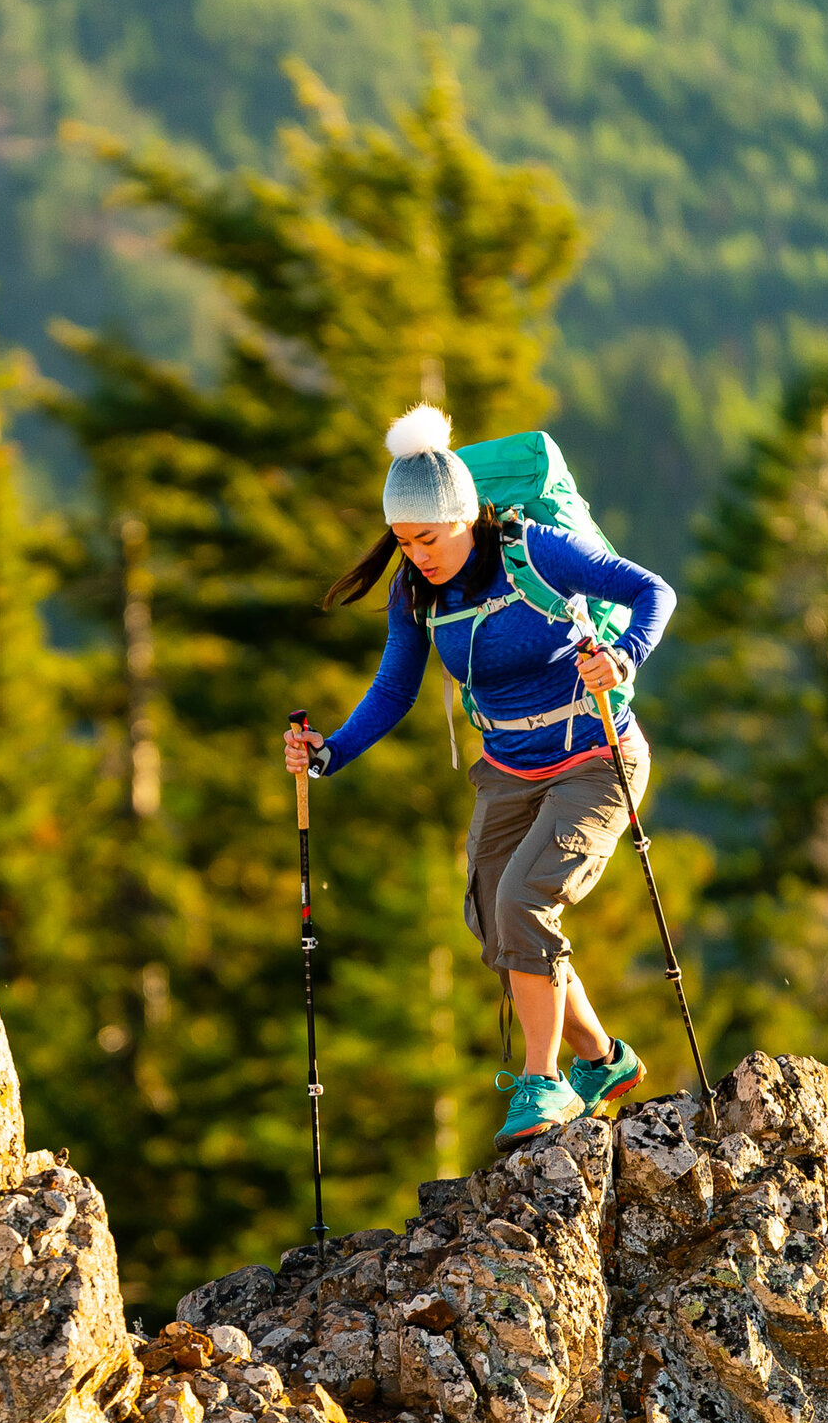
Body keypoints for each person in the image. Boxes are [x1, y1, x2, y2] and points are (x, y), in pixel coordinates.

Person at [283, 405, 675, 1153]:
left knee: (525, 897)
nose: (416, 554)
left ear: (465, 517)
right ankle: (603, 1061)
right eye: (403, 541)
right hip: (506, 769)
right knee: (497, 920)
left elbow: (654, 592)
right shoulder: (415, 591)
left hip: (596, 756)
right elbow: (394, 690)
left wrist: (622, 657)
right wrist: (330, 750)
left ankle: (542, 1081)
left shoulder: (536, 552)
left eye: (427, 538)